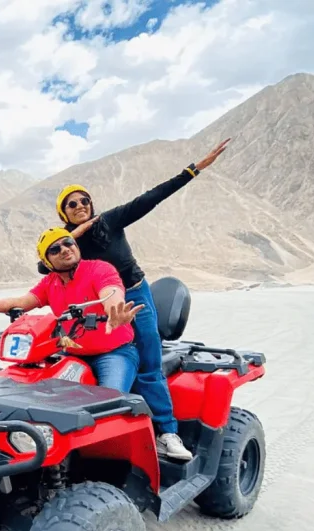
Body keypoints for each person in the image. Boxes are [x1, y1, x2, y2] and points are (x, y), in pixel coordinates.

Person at [43, 139, 230, 460]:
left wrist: (193, 170)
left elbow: (151, 198)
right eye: (71, 204)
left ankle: (167, 432)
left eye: (84, 200)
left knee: (148, 362)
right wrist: (72, 235)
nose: (79, 205)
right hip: (96, 307)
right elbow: (41, 266)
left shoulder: (111, 221)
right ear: (64, 212)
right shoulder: (63, 246)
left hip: (134, 297)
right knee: (79, 364)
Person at [0, 228, 146, 404]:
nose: (64, 249)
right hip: (72, 353)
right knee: (47, 398)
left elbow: (111, 293)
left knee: (109, 403)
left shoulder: (99, 269)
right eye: (55, 249)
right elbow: (23, 301)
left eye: (68, 243)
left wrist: (115, 311)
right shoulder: (50, 282)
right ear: (47, 261)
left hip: (114, 353)